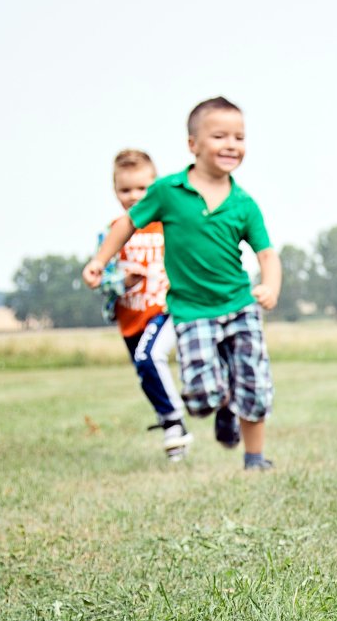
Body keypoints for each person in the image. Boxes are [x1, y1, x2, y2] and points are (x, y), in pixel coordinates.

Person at [83, 97, 281, 471]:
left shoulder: (244, 203)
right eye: (219, 135)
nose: (231, 144)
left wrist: (269, 286)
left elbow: (267, 254)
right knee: (200, 397)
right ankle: (223, 405)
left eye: (239, 136)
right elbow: (126, 224)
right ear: (193, 144)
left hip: (239, 304)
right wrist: (100, 260)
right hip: (190, 311)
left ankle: (254, 459)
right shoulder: (168, 192)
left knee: (255, 384)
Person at [86, 149, 192, 461]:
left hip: (164, 311)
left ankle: (174, 422)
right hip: (130, 317)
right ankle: (173, 429)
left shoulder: (167, 226)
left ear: (155, 186)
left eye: (142, 188)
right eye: (125, 190)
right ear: (114, 190)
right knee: (146, 373)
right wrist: (120, 281)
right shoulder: (112, 232)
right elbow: (101, 275)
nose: (134, 196)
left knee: (150, 357)